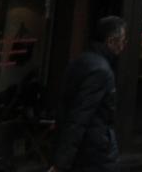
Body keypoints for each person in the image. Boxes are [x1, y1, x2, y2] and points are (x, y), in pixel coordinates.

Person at [50, 16, 126, 172]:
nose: (123, 46)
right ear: (111, 42)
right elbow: (80, 116)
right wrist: (60, 164)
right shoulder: (101, 70)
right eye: (122, 41)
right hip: (94, 153)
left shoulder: (81, 61)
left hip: (82, 150)